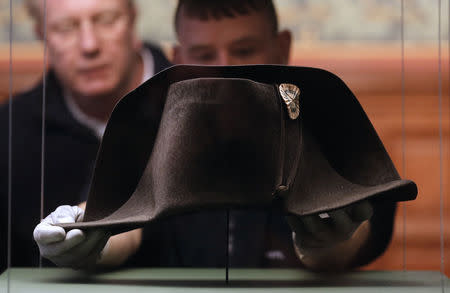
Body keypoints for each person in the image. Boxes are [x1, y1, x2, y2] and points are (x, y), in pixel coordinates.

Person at [32, 0, 396, 272]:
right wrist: (81, 230)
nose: (224, 69)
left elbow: (360, 235)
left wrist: (327, 242)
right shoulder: (143, 128)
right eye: (204, 54)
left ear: (282, 48)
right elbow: (119, 220)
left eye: (244, 50)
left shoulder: (329, 125)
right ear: (177, 58)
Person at [0, 0, 171, 272]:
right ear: (41, 35)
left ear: (132, 20)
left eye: (105, 20)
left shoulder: (196, 106)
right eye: (66, 28)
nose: (89, 45)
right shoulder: (8, 130)